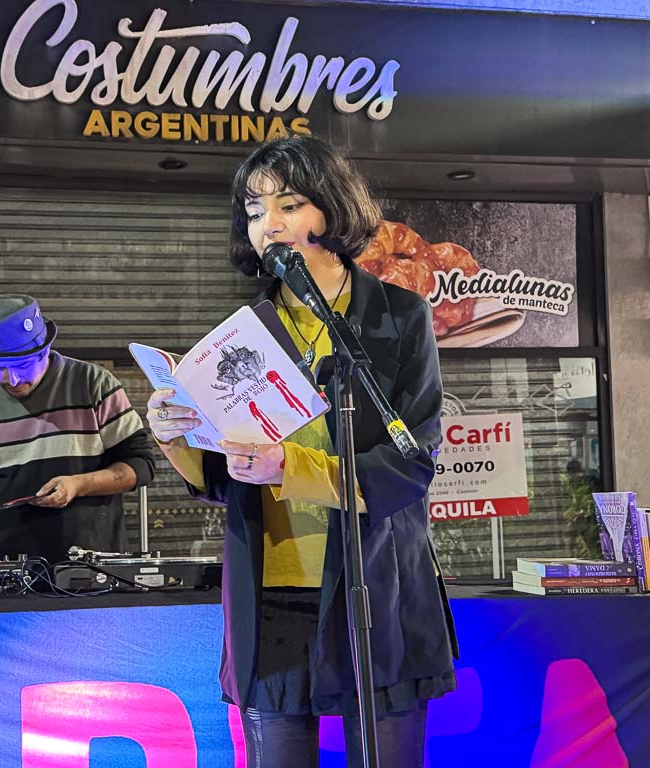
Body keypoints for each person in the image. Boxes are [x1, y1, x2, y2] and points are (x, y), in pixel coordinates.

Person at [146, 135, 458, 767]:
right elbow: (222, 478)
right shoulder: (241, 333)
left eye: (288, 205)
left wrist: (290, 465)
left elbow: (411, 464)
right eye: (254, 211)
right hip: (273, 592)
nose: (269, 224)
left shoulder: (400, 316)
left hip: (377, 585)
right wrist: (173, 433)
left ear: (332, 208)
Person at [0, 294, 154, 563]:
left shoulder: (94, 384)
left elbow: (140, 465)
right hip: (2, 567)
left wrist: (78, 485)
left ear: (45, 350)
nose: (13, 379)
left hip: (91, 566)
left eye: (23, 365)